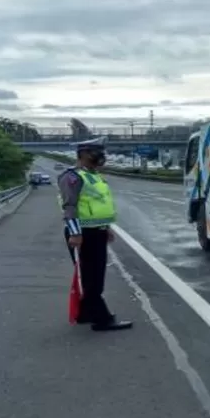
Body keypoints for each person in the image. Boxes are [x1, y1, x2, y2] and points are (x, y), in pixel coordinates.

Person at [57, 137, 132, 332]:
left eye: (100, 152)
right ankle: (102, 319)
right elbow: (70, 207)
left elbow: (98, 206)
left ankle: (85, 314)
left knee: (92, 276)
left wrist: (106, 228)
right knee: (92, 278)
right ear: (82, 154)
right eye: (94, 152)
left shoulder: (95, 176)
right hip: (82, 234)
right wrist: (75, 233)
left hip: (96, 232)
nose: (100, 156)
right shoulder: (72, 177)